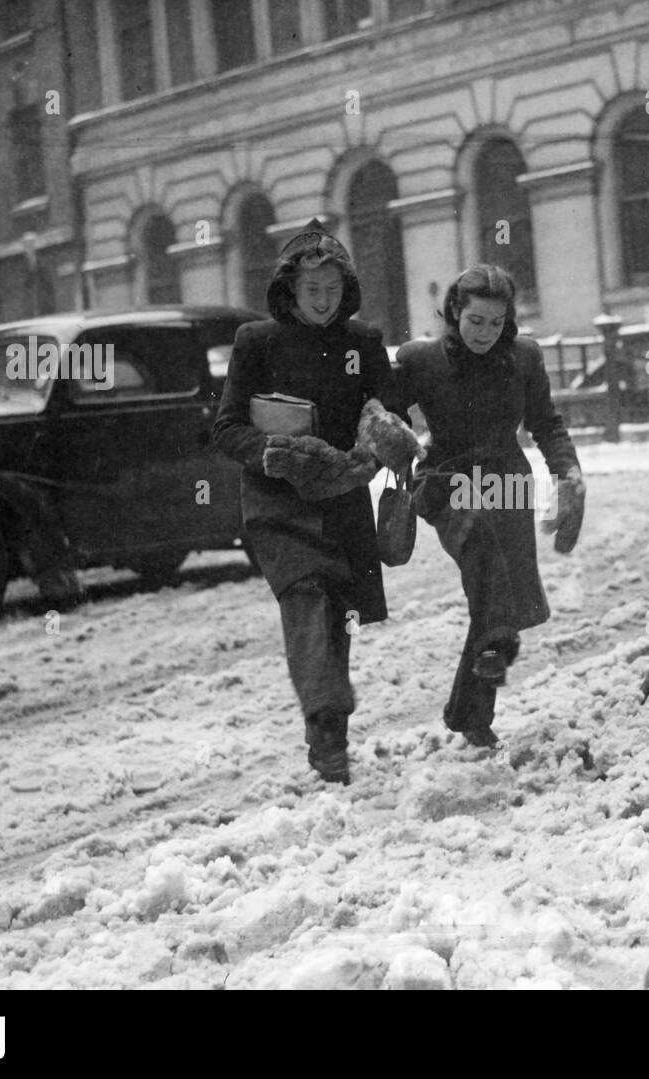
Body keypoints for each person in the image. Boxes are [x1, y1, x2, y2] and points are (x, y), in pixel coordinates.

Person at [212, 219, 421, 783]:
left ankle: (328, 736)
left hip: (343, 500)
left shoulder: (364, 344)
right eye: (312, 291)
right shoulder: (256, 343)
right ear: (289, 290)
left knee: (338, 611)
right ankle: (327, 723)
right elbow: (227, 426)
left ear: (345, 289)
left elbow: (389, 409)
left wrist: (383, 429)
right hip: (277, 505)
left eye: (332, 290)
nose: (323, 301)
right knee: (305, 597)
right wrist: (271, 452)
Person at [394, 265, 584, 747]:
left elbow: (547, 423)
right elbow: (383, 414)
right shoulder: (421, 359)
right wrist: (381, 442)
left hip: (507, 482)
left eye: (495, 323)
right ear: (456, 311)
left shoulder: (523, 358)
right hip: (446, 481)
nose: (484, 333)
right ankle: (491, 666)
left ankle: (470, 716)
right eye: (475, 321)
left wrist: (567, 471)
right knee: (484, 560)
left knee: (501, 599)